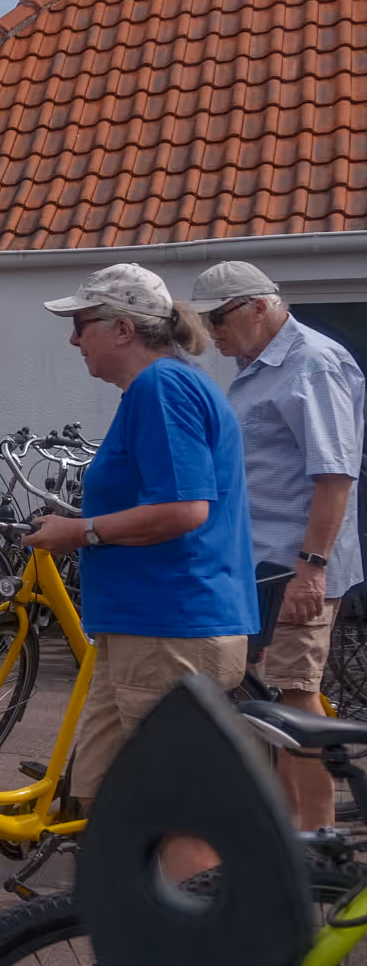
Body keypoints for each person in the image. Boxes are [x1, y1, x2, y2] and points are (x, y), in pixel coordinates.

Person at [27, 263, 257, 872]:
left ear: (123, 328)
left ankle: (203, 937)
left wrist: (79, 531)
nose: (74, 340)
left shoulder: (162, 388)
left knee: (173, 810)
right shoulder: (165, 387)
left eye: (81, 324)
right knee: (106, 798)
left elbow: (184, 509)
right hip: (144, 629)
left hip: (170, 628)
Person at [194, 260, 365, 830]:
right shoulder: (256, 365)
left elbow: (335, 475)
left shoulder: (311, 363)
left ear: (260, 306)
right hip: (260, 565)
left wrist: (310, 569)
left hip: (291, 566)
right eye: (206, 319)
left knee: (295, 698)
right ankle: (285, 829)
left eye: (220, 317)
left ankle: (317, 842)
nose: (212, 330)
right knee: (271, 702)